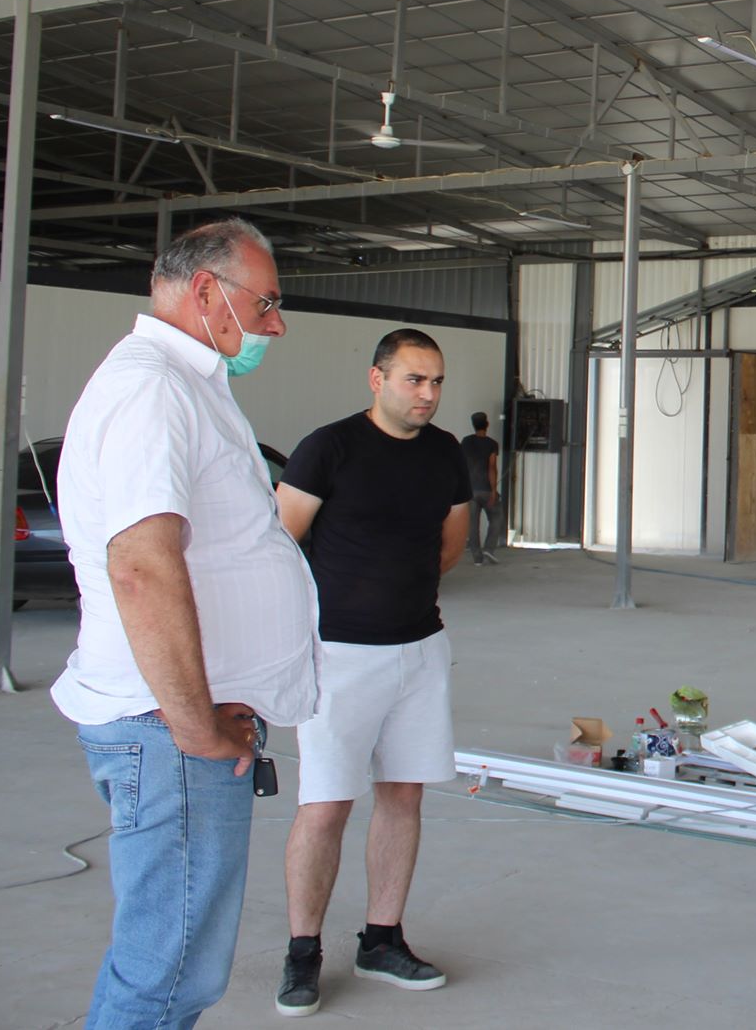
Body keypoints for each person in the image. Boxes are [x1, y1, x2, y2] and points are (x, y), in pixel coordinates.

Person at [52, 218, 318, 1029]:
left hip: (174, 724)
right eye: (265, 302)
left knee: (172, 969)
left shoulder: (188, 383)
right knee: (165, 978)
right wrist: (197, 724)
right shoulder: (152, 389)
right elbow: (140, 564)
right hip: (168, 729)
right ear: (207, 292)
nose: (275, 324)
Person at [273, 329, 472, 1017]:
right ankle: (303, 952)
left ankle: (382, 939)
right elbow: (278, 546)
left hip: (420, 650)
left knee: (403, 796)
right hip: (338, 656)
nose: (428, 394)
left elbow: (449, 545)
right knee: (326, 803)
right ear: (377, 378)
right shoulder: (328, 448)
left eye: (437, 381)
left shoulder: (445, 453)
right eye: (415, 379)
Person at [460, 411, 502, 565]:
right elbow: (492, 468)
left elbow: (461, 464)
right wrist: (493, 491)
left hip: (470, 490)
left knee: (473, 524)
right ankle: (489, 549)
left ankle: (477, 558)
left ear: (473, 425)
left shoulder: (466, 442)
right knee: (497, 517)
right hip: (485, 489)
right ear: (487, 424)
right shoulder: (491, 444)